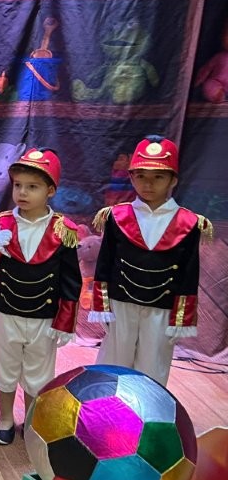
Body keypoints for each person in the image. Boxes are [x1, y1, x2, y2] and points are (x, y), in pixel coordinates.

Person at [0, 148, 82, 445]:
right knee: (6, 367)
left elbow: (71, 280)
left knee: (38, 373)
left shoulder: (62, 229)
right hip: (6, 310)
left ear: (50, 190)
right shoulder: (1, 223)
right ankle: (5, 419)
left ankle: (32, 420)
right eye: (18, 185)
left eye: (32, 187)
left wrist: (65, 322)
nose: (22, 193)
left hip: (44, 315)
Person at [90, 136, 211, 385]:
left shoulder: (189, 223)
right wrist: (101, 306)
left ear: (173, 180)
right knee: (113, 365)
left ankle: (149, 408)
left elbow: (189, 274)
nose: (148, 184)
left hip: (162, 308)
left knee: (153, 368)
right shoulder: (116, 216)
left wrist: (181, 318)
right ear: (131, 177)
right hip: (120, 304)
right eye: (141, 176)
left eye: (158, 177)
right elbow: (104, 264)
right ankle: (108, 407)